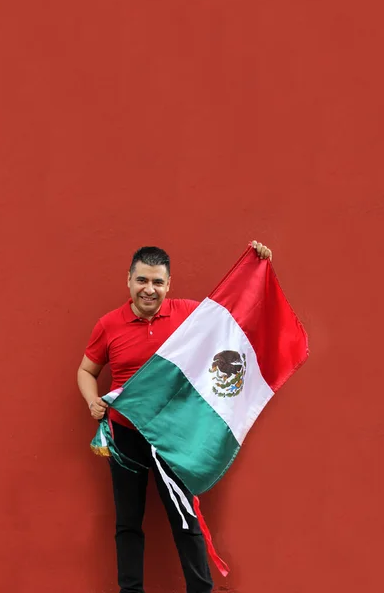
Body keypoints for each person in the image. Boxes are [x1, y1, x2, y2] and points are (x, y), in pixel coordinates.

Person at [77, 240, 272, 593]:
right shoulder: (108, 325)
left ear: (168, 284)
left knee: (184, 517)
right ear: (129, 281)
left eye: (157, 282)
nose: (148, 289)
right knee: (128, 523)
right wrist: (93, 400)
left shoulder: (190, 315)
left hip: (172, 438)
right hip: (125, 436)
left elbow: (234, 314)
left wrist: (257, 264)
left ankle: (201, 589)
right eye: (141, 280)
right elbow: (86, 371)